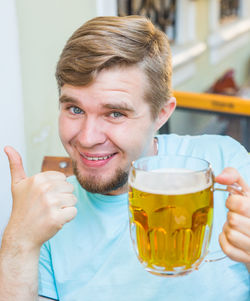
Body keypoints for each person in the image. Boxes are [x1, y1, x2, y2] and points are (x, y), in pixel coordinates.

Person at [0, 15, 249, 301]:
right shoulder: (45, 217)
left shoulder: (225, 161)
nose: (87, 137)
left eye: (115, 113)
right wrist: (17, 244)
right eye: (74, 109)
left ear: (162, 114)